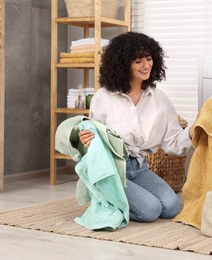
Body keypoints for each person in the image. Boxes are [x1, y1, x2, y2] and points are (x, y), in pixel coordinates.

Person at [78, 31, 194, 222]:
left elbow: (173, 143)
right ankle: (101, 193)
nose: (146, 65)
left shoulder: (160, 99)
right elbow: (93, 139)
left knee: (171, 207)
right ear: (123, 63)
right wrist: (86, 140)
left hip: (139, 168)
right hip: (111, 169)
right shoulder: (104, 97)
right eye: (138, 60)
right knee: (150, 211)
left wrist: (193, 131)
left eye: (149, 59)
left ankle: (121, 197)